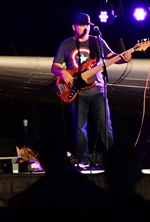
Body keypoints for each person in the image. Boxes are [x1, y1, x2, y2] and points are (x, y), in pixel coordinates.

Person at [51, 12, 131, 169]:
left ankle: (113, 159)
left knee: (105, 126)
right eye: (81, 25)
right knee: (79, 127)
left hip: (98, 90)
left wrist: (124, 57)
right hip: (77, 92)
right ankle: (83, 159)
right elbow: (55, 66)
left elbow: (112, 56)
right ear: (73, 26)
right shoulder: (66, 44)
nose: (84, 28)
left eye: (86, 25)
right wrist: (63, 72)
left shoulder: (97, 41)